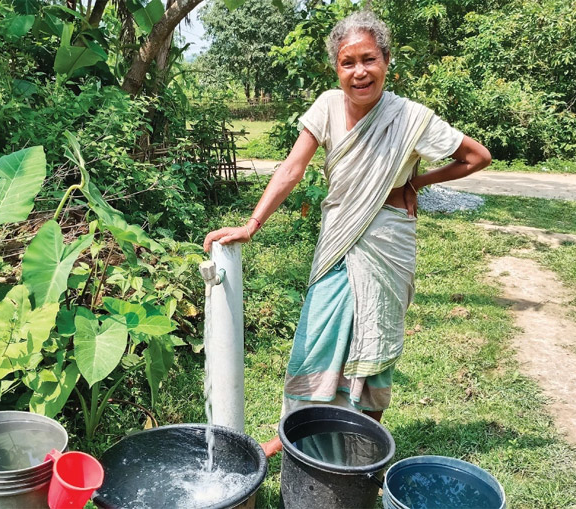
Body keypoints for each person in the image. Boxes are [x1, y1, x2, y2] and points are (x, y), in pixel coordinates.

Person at [203, 11, 491, 457]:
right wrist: (252, 224)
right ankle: (293, 438)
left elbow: (476, 157)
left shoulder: (410, 118)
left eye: (369, 59)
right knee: (316, 337)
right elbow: (292, 168)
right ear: (336, 68)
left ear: (387, 61)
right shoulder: (326, 107)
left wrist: (415, 182)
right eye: (348, 62)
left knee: (375, 347)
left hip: (388, 245)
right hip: (337, 238)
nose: (360, 72)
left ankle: (361, 451)